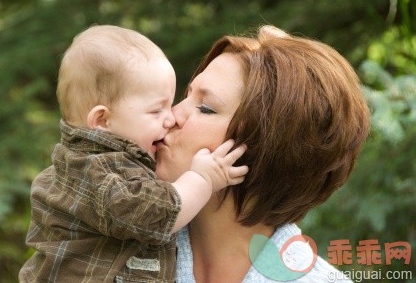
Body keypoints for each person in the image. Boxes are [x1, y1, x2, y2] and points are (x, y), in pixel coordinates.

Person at [19, 25, 248, 283]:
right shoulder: (98, 171)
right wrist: (202, 179)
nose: (170, 117)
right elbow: (152, 216)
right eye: (155, 111)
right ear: (102, 119)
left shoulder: (97, 163)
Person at [154, 25, 371, 283]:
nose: (170, 117)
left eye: (205, 108)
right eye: (186, 95)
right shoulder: (114, 249)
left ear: (271, 148)